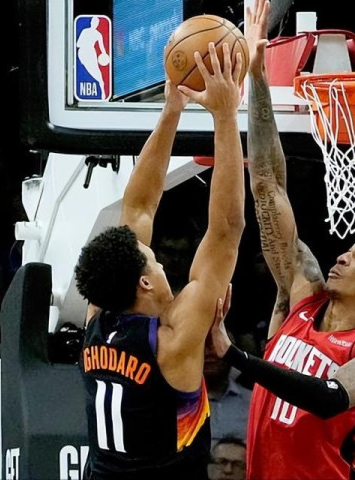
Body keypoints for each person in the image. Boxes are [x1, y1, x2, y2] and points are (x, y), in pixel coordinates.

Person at [209, 2, 355, 479]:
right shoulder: (302, 293)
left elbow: (329, 398)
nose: (343, 256)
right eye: (349, 250)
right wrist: (257, 77)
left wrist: (235, 356)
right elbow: (267, 184)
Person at [74, 40, 246, 479]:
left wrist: (172, 109)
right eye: (154, 262)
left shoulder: (99, 319)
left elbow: (139, 208)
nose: (163, 265)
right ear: (145, 283)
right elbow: (226, 229)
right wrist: (225, 116)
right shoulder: (170, 340)